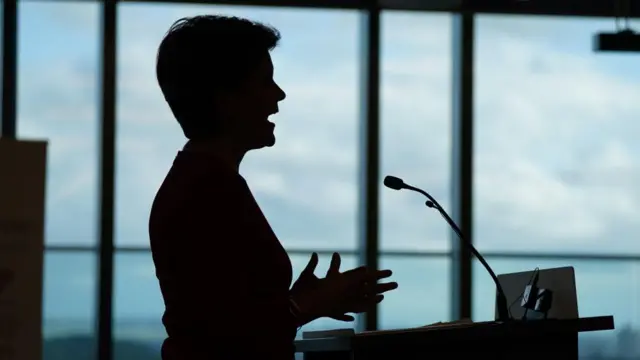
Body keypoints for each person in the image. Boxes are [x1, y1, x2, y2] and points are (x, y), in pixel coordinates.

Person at [149, 15, 398, 360]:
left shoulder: (206, 182)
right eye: (265, 83)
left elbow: (229, 316)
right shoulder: (203, 191)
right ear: (226, 98)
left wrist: (296, 301)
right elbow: (223, 336)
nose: (279, 96)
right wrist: (305, 304)